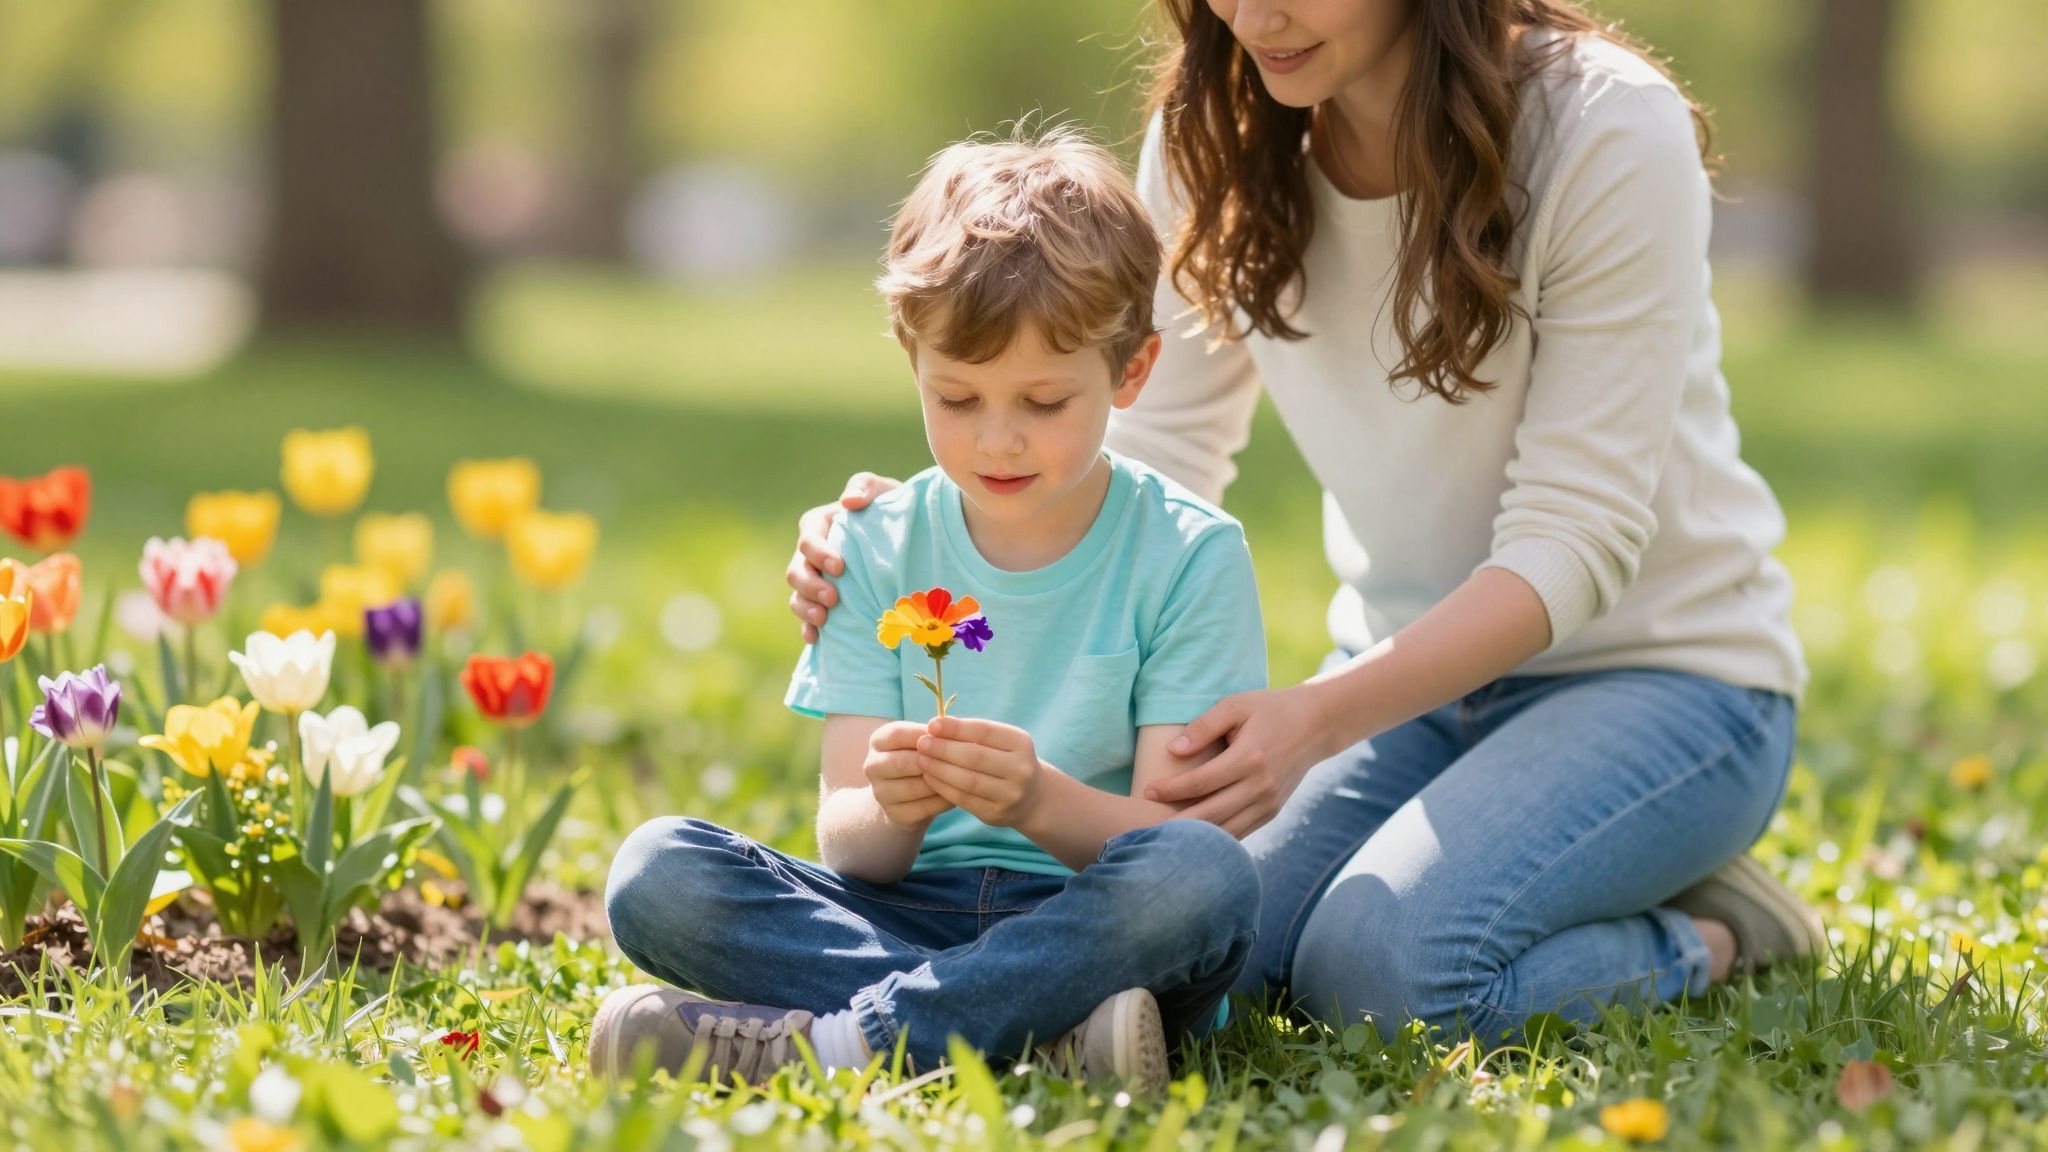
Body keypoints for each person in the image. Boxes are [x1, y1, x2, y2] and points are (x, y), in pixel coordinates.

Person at [788, 0, 1825, 1047]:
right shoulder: (1219, 137)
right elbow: (1146, 447)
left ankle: (1708, 934)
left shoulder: (1605, 125)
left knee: (1378, 973)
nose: (1253, 15)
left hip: (1665, 683)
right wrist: (930, 524)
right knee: (1216, 952)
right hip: (1397, 687)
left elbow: (1576, 535)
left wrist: (1317, 718)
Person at [595, 127, 1270, 1091]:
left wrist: (1036, 800)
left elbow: (1161, 837)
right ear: (911, 360)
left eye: (1043, 402)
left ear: (1132, 372)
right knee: (658, 872)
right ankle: (1045, 1038)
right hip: (905, 911)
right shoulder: (872, 542)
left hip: (1091, 917)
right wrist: (895, 808)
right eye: (956, 397)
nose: (998, 440)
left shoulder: (1189, 552)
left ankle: (840, 1045)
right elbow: (853, 848)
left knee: (1204, 876)